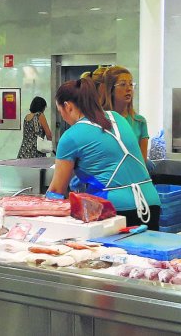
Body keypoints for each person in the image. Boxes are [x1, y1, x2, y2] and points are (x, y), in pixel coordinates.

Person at [46, 78, 162, 228]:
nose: (62, 116)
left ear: (67, 106)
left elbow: (57, 190)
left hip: (114, 209)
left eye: (59, 110)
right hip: (151, 203)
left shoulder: (70, 137)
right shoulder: (117, 118)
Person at [101, 66, 149, 159]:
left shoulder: (139, 121)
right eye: (123, 84)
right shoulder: (100, 119)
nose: (129, 89)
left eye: (131, 84)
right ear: (111, 90)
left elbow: (142, 162)